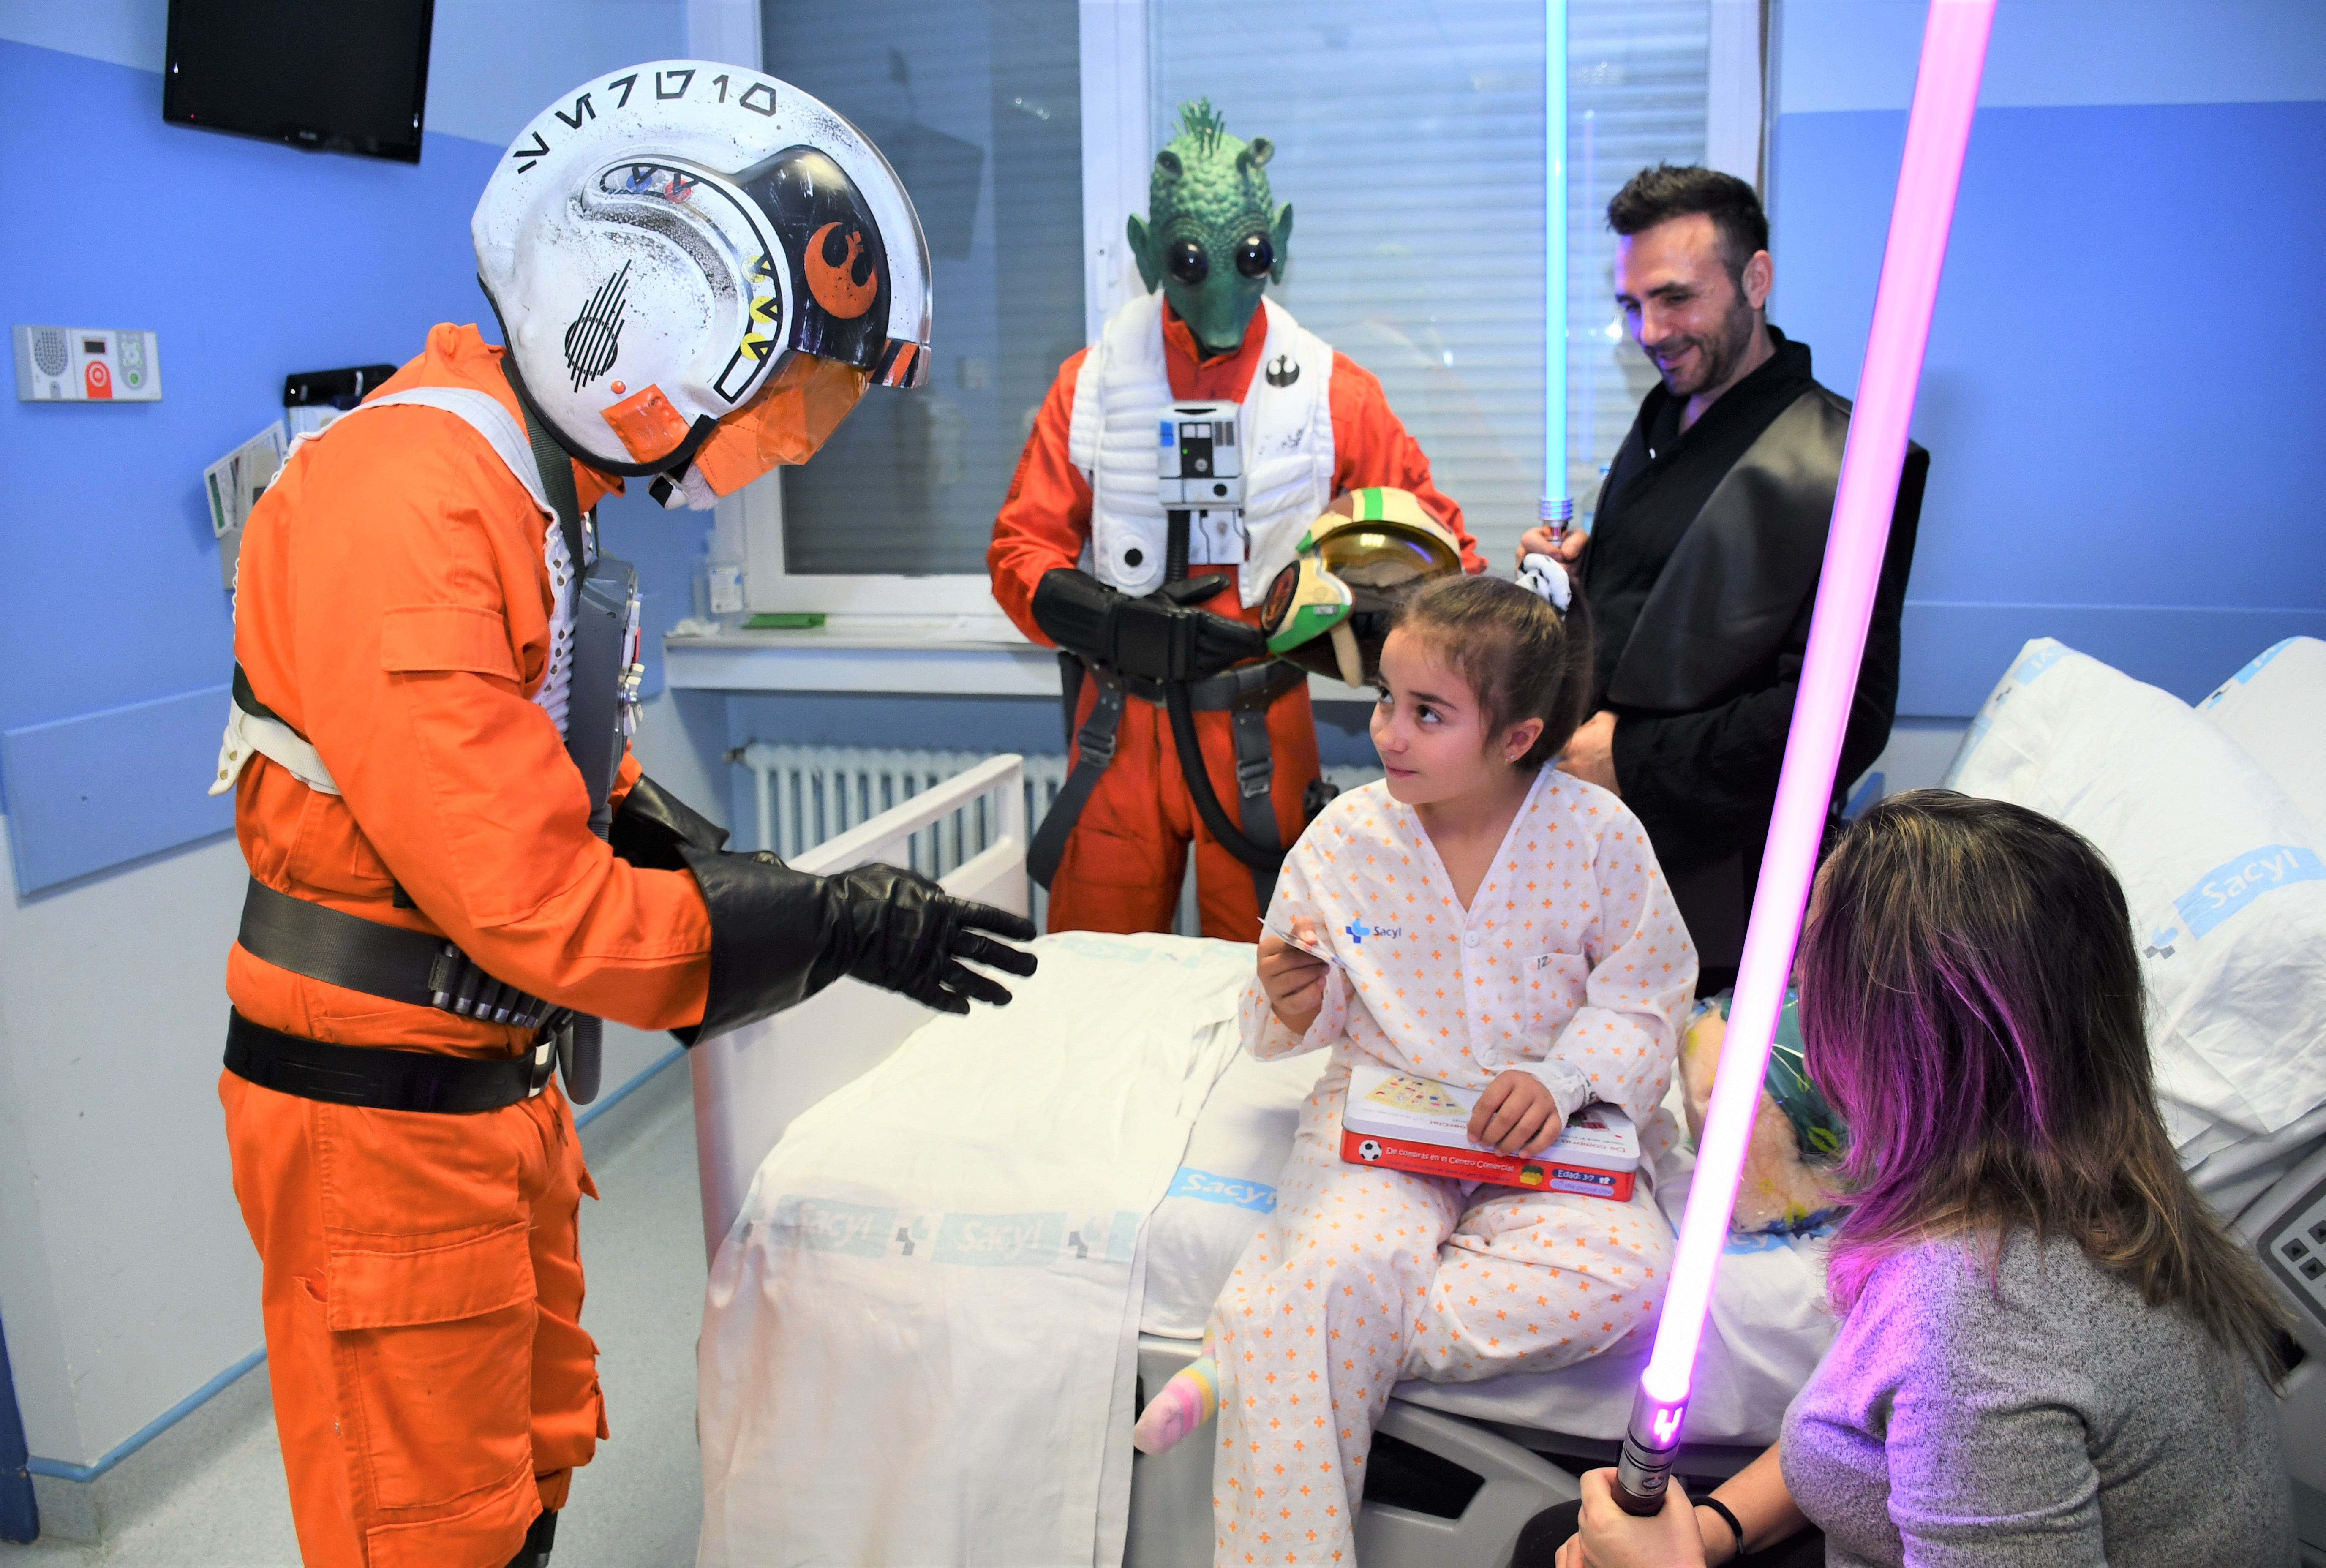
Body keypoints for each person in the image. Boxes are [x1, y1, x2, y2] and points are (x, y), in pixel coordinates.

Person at [213, 65, 1037, 1568]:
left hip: (480, 1086)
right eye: (798, 391)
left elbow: (569, 786)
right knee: (432, 1531)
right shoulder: (408, 505)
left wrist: (735, 875)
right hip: (381, 1118)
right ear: (660, 311)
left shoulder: (538, 491)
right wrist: (829, 925)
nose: (798, 439)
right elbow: (534, 895)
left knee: (524, 1471)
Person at [1528, 792, 2297, 1568]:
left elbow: (1954, 1383)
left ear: (1887, 1037)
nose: (1791, 1000)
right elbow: (1881, 1421)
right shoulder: (2108, 1191)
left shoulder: (1974, 1313)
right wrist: (1719, 1525)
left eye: (1810, 969)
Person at [1130, 571, 1697, 1566]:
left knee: (1635, 1278)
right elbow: (1284, 1019)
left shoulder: (1600, 837)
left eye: (1428, 712)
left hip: (1543, 1134)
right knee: (1336, 1262)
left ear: (1517, 736)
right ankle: (1304, 1337)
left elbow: (1646, 994)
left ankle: (1266, 1342)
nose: (1388, 731)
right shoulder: (1348, 839)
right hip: (1381, 1130)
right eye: (1386, 698)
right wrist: (1288, 997)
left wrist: (1562, 1077)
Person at [990, 98, 1481, 942]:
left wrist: (1340, 621)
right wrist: (1114, 624)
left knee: (1272, 980)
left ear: (1276, 242)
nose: (1220, 283)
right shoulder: (1092, 388)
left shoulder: (1332, 393)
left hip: (1261, 719)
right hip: (1120, 725)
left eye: (1248, 255)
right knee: (1095, 974)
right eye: (1190, 260)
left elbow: (1436, 551)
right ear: (1148, 249)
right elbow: (1020, 551)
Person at [1519, 166, 1928, 993]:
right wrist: (1577, 581)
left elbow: (1845, 716)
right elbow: (1671, 605)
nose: (1650, 331)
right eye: (1632, 305)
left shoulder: (1852, 462)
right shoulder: (1663, 420)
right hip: (1603, 864)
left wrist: (1631, 759)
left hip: (1729, 896)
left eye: (1675, 298)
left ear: (1757, 279)